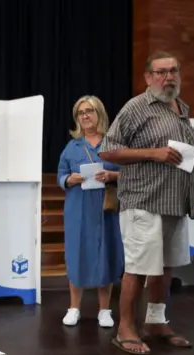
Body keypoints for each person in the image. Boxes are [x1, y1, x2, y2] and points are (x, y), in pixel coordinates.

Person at [99, 51, 194, 355]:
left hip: (175, 201)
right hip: (144, 200)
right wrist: (153, 153)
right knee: (139, 267)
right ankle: (125, 329)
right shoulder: (137, 107)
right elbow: (108, 149)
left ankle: (156, 321)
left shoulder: (181, 108)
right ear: (147, 77)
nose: (168, 77)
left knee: (164, 266)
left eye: (173, 70)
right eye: (160, 72)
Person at [57, 95, 124, 328]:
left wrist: (112, 176)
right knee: (78, 254)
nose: (85, 116)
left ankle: (104, 310)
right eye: (80, 113)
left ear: (100, 114)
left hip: (106, 209)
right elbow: (60, 176)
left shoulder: (113, 144)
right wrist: (69, 179)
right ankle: (74, 307)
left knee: (106, 254)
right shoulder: (72, 146)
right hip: (78, 209)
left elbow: (128, 174)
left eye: (89, 111)